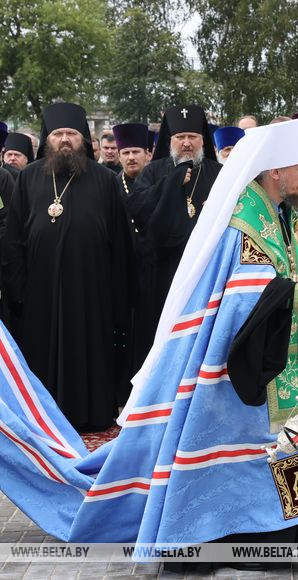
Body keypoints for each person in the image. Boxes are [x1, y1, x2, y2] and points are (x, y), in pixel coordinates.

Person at [0, 119, 298, 567]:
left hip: (282, 355)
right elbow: (253, 295)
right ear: (273, 173)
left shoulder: (277, 210)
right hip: (243, 367)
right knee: (263, 448)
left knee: (296, 439)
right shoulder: (245, 220)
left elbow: (276, 275)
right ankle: (247, 542)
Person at [2, 102, 133, 430]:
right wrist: (20, 292)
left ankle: (91, 416)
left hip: (92, 293)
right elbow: (14, 237)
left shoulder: (105, 179)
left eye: (71, 134)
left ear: (83, 140)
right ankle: (44, 420)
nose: (64, 140)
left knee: (89, 355)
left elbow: (121, 243)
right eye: (58, 133)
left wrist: (117, 297)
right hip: (39, 292)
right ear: (48, 139)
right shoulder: (29, 178)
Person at [126, 105, 222, 379]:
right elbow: (137, 208)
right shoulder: (154, 172)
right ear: (170, 141)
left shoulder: (217, 173)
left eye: (193, 136)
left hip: (205, 273)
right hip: (161, 273)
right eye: (180, 137)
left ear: (203, 139)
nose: (187, 143)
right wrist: (172, 183)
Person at [113, 123, 150, 196]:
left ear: (146, 154)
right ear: (119, 157)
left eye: (135, 152)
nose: (131, 157)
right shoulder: (112, 187)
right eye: (126, 153)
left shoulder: (158, 182)